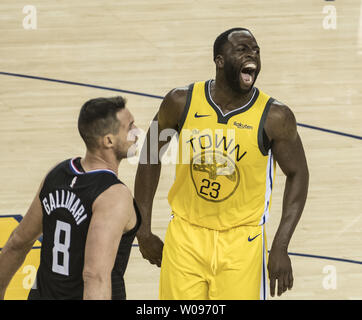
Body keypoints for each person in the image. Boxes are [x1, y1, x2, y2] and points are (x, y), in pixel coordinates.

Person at [135, 27, 309, 300]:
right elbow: (149, 154)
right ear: (219, 60)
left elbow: (299, 174)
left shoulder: (275, 117)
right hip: (185, 237)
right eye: (242, 49)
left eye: (256, 51)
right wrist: (142, 229)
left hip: (242, 243)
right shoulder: (180, 102)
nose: (252, 54)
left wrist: (280, 246)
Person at [0, 96, 141, 300]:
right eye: (130, 127)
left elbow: (18, 242)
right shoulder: (114, 196)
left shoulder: (57, 174)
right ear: (108, 140)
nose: (136, 132)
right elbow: (95, 276)